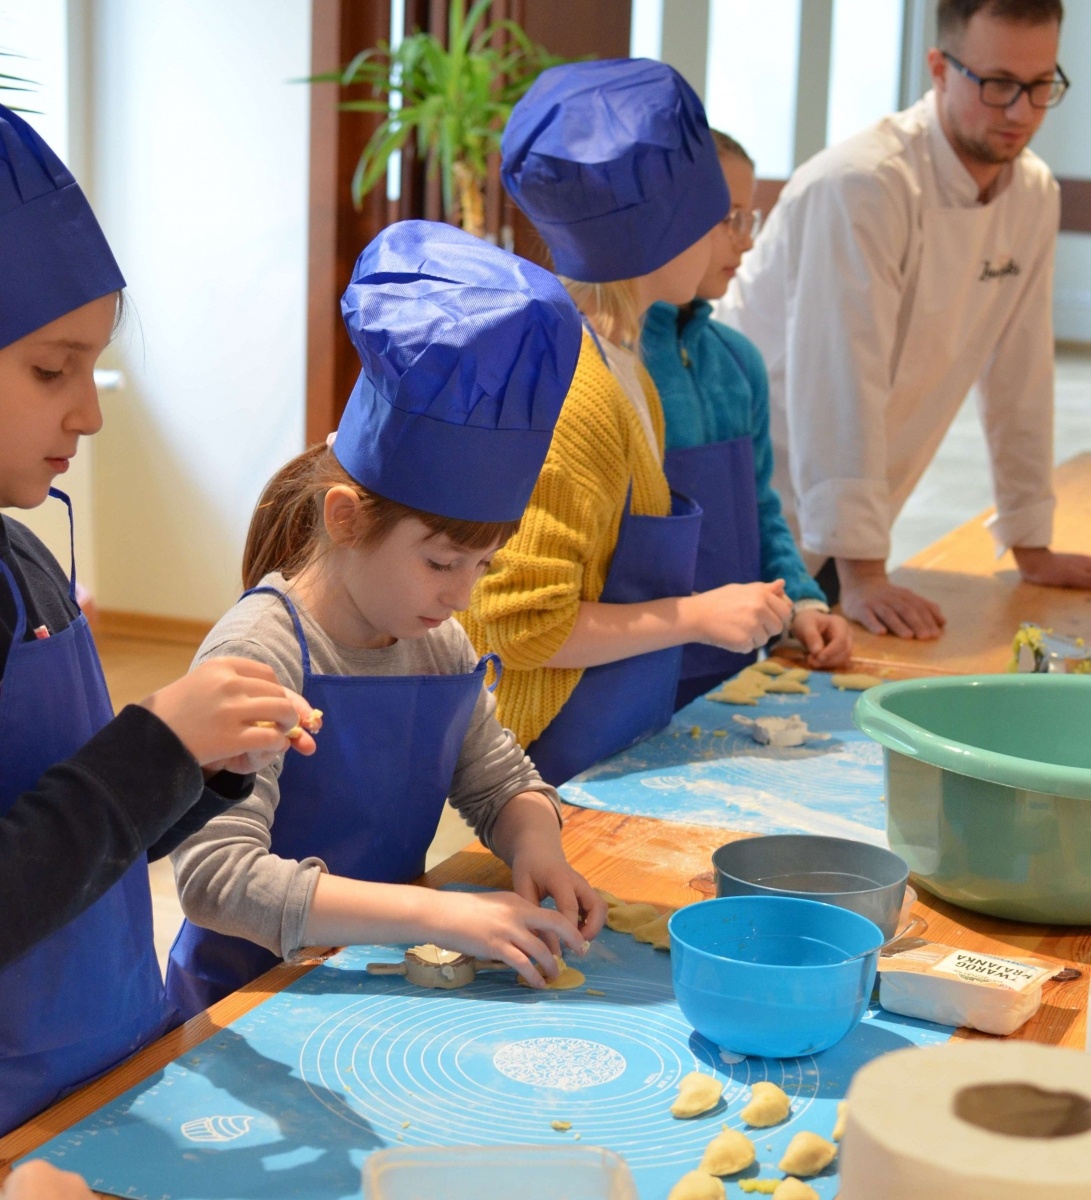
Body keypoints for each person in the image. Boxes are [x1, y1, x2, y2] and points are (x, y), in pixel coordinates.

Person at [166, 220, 603, 1018]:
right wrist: (440, 912)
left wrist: (535, 843)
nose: (462, 595)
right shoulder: (262, 650)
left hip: (377, 984)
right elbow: (214, 879)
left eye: (486, 566)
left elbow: (496, 774)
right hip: (246, 1003)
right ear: (345, 519)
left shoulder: (435, 640)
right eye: (442, 563)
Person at [0, 105, 318, 1135]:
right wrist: (154, 744)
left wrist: (195, 763)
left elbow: (69, 831)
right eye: (52, 368)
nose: (88, 412)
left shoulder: (22, 557)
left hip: (102, 1060)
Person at [459, 59, 794, 785]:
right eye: (713, 222)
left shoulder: (628, 368)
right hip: (544, 761)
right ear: (661, 235)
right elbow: (519, 624)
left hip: (608, 739)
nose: (725, 243)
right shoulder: (580, 393)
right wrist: (697, 617)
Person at [722, 0, 1090, 640]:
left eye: (1039, 87)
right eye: (999, 84)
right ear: (940, 68)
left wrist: (1030, 540)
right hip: (752, 495)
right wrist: (865, 569)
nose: (1021, 112)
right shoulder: (863, 184)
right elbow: (841, 382)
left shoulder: (1032, 192)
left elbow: (1021, 375)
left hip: (852, 521)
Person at [642, 131, 854, 705]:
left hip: (731, 670)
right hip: (626, 672)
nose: (745, 243)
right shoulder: (608, 369)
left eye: (749, 218)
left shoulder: (738, 362)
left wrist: (803, 604)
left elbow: (758, 507)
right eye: (728, 219)